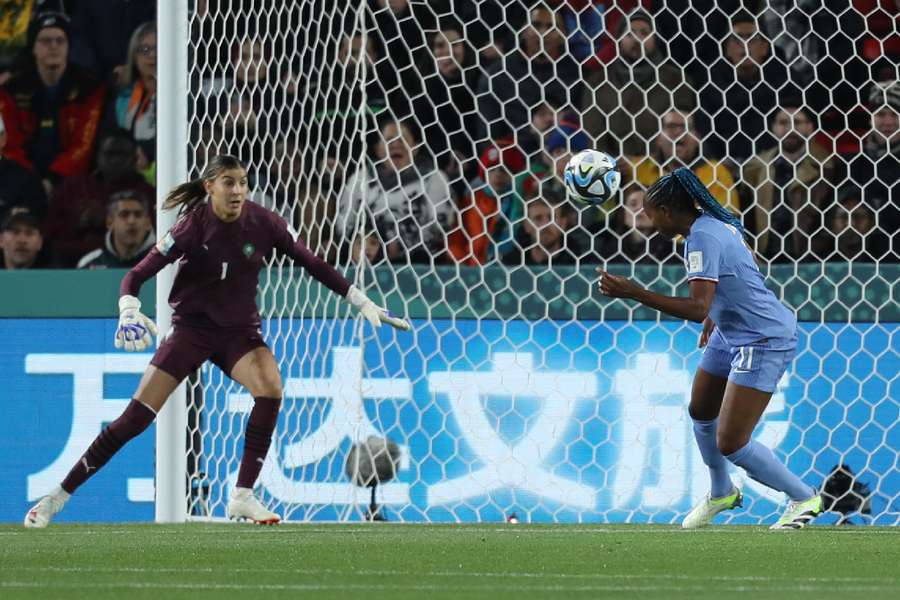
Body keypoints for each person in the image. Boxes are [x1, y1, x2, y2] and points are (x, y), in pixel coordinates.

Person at [23, 155, 407, 528]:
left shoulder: (265, 222)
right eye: (229, 183)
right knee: (135, 418)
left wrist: (361, 301)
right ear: (210, 187)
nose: (238, 190)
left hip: (239, 333)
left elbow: (314, 264)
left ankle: (242, 494)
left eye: (242, 182)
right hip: (192, 331)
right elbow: (136, 276)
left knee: (270, 387)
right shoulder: (190, 228)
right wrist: (128, 308)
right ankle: (55, 498)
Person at [597, 168, 822, 530]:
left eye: (650, 212)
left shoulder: (702, 237)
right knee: (701, 409)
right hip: (729, 330)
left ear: (668, 212)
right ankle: (721, 491)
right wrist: (719, 309)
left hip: (761, 339)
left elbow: (696, 306)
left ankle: (802, 496)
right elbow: (745, 267)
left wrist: (634, 292)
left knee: (732, 442)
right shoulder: (716, 224)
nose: (648, 219)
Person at [0, 12, 106, 196]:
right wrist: (32, 183)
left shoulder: (88, 87)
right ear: (33, 47)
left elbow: (83, 145)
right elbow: (9, 144)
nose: (53, 46)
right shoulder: (11, 88)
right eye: (45, 41)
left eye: (60, 40)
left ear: (68, 46)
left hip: (72, 180)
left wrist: (52, 179)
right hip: (21, 180)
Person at [76, 190, 155, 269]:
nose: (132, 221)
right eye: (124, 214)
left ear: (148, 223)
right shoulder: (89, 263)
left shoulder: (162, 259)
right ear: (109, 222)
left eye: (138, 215)